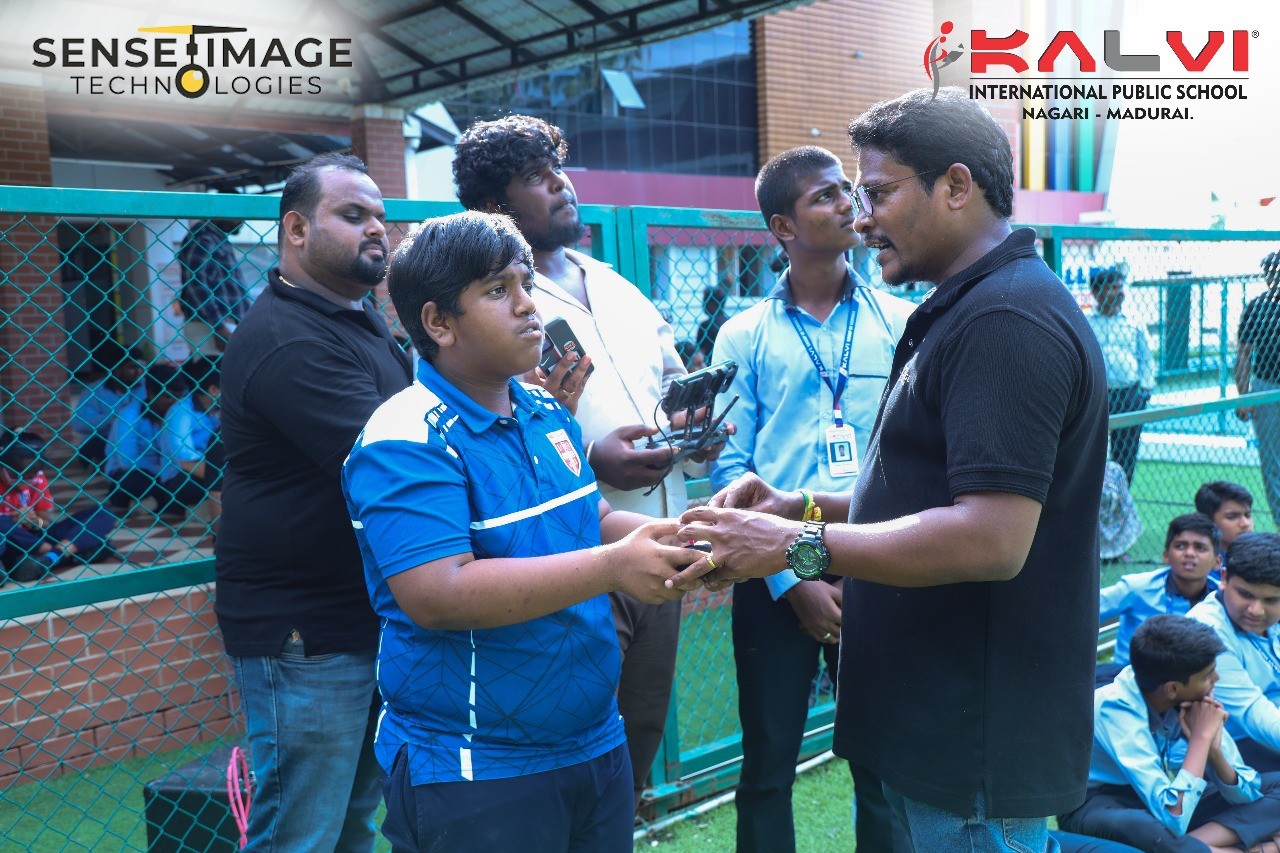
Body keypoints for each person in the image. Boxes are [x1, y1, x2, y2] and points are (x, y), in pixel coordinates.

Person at [669, 87, 1109, 851]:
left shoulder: (1004, 318)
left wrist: (792, 546)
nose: (861, 215)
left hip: (970, 745)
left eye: (876, 192)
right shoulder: (967, 306)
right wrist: (802, 504)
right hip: (939, 723)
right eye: (852, 194)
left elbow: (989, 538)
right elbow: (922, 492)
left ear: (956, 186)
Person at [342, 210, 700, 852]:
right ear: (438, 322)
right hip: (476, 771)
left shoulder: (545, 412)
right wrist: (615, 566)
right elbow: (439, 593)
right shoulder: (405, 438)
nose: (529, 305)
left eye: (526, 284)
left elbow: (592, 521)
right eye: (497, 290)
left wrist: (684, 534)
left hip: (595, 741)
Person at [452, 114, 730, 805]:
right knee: (567, 759)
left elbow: (672, 387)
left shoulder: (615, 283)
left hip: (660, 549)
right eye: (535, 176)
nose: (560, 185)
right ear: (492, 205)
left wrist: (692, 435)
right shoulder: (481, 309)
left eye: (558, 168)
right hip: (569, 565)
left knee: (634, 747)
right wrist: (591, 457)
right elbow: (485, 432)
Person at [708, 145, 914, 852]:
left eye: (847, 190)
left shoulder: (900, 321)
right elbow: (731, 470)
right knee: (768, 765)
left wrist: (847, 564)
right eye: (824, 196)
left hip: (877, 561)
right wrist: (795, 580)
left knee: (883, 766)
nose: (848, 203)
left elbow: (914, 456)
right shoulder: (743, 335)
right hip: (774, 575)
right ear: (783, 227)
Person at [215, 153, 413, 852]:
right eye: (353, 215)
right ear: (296, 229)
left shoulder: (358, 319)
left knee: (353, 824)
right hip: (305, 629)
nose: (377, 230)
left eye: (380, 217)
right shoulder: (288, 338)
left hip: (361, 615)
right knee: (301, 834)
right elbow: (394, 460)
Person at [1058, 614, 1280, 852]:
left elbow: (1247, 795)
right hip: (1099, 803)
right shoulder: (1115, 708)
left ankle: (1186, 847)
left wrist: (1214, 750)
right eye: (1207, 675)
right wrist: (1200, 739)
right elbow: (1173, 815)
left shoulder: (1189, 699)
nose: (1216, 679)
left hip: (1157, 800)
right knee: (1141, 826)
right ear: (1172, 688)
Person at [1188, 532, 1280, 774]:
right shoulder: (1206, 630)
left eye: (1271, 600)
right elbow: (1252, 713)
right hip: (1239, 743)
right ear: (1224, 578)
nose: (1256, 610)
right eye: (1246, 594)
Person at [1096, 514, 1221, 684]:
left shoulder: (1222, 598)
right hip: (1131, 680)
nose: (1190, 553)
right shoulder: (1137, 588)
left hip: (1195, 683)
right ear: (1166, 556)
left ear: (1217, 562)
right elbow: (1085, 611)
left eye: (1200, 548)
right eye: (1180, 546)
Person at [0, 430, 117, 584]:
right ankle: (66, 554)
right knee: (3, 525)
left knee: (104, 514)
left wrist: (35, 521)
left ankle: (52, 557)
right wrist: (12, 519)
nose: (25, 479)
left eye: (30, 474)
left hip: (37, 535)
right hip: (12, 541)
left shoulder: (37, 477)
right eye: (18, 474)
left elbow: (45, 522)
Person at [1088, 266, 1154, 484]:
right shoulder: (1086, 322)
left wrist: (1145, 389)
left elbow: (1146, 358)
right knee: (1090, 448)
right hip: (1096, 395)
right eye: (1112, 288)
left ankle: (1122, 494)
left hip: (1128, 394)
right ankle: (1094, 495)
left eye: (1120, 287)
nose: (1119, 293)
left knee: (1126, 450)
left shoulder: (1133, 321)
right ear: (1096, 293)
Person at [104, 362, 187, 515]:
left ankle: (158, 501)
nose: (175, 403)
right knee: (132, 482)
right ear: (151, 393)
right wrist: (164, 471)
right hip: (135, 472)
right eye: (168, 397)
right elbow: (127, 460)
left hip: (169, 471)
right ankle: (163, 501)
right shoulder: (129, 415)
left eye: (179, 397)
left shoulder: (180, 414)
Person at [1237, 252, 1280, 528]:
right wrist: (1244, 396)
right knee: (1272, 459)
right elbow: (1243, 354)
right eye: (1272, 273)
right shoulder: (1258, 307)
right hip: (1266, 385)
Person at [156, 357, 224, 524]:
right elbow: (185, 461)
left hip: (215, 472)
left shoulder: (222, 410)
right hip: (183, 477)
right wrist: (225, 477)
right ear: (214, 389)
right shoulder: (180, 412)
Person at [177, 218, 251, 356]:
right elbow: (196, 284)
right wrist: (219, 326)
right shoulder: (204, 238)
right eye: (239, 216)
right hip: (212, 328)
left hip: (223, 325)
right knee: (215, 368)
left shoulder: (215, 238)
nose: (242, 221)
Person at [68, 342, 145, 468]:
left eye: (141, 367)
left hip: (138, 437)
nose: (139, 371)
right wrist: (114, 416)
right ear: (116, 369)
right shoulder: (95, 390)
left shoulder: (147, 387)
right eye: (132, 367)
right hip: (106, 438)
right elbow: (79, 424)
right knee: (94, 446)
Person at [1195, 481, 1256, 569]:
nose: (1245, 524)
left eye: (1248, 515)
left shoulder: (1262, 557)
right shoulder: (1199, 566)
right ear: (1208, 521)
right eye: (1232, 517)